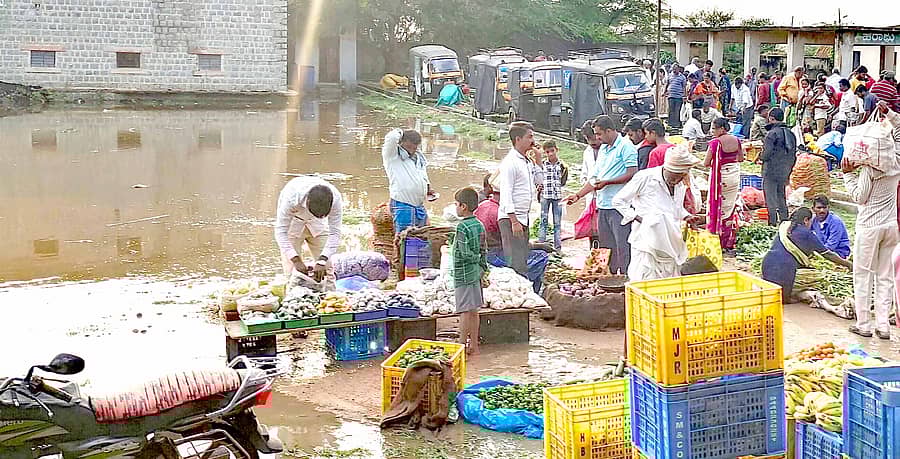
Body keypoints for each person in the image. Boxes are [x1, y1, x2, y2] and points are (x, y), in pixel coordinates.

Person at [844, 102, 900, 339]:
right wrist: (889, 114)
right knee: (885, 276)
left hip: (870, 226)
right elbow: (898, 130)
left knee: (863, 274)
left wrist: (847, 176)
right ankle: (884, 326)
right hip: (891, 226)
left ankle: (864, 323)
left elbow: (859, 197)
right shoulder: (896, 163)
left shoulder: (870, 169)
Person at [612, 143, 703, 281]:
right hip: (646, 240)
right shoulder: (645, 177)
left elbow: (675, 207)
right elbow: (618, 201)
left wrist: (686, 216)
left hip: (670, 240)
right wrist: (638, 217)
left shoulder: (680, 184)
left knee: (669, 280)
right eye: (674, 176)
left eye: (680, 177)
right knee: (644, 277)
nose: (676, 180)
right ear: (667, 168)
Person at [565, 115, 639, 275]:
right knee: (607, 247)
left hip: (620, 207)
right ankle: (611, 277)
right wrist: (577, 195)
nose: (597, 138)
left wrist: (608, 182)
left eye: (599, 134)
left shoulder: (626, 146)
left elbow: (632, 173)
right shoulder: (604, 149)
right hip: (603, 206)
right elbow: (594, 178)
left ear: (609, 131)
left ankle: (626, 278)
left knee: (623, 246)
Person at [761, 208, 853, 304]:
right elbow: (828, 255)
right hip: (783, 273)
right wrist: (848, 264)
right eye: (811, 221)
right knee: (812, 282)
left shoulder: (785, 227)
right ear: (806, 220)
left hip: (766, 268)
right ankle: (787, 295)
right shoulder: (807, 234)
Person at [274, 176, 342, 280]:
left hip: (318, 225)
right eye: (316, 213)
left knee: (327, 270)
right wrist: (296, 260)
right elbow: (280, 231)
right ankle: (293, 294)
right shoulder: (292, 198)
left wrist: (322, 260)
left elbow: (335, 233)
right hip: (293, 224)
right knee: (292, 273)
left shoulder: (335, 199)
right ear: (308, 202)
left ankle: (328, 293)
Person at [452, 187, 487, 355]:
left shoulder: (461, 228)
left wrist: (474, 258)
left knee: (464, 310)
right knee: (474, 310)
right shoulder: (479, 225)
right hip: (475, 273)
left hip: (463, 274)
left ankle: (460, 345)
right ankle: (473, 343)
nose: (456, 208)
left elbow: (464, 253)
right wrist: (482, 267)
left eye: (456, 204)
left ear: (463, 206)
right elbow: (484, 249)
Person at [498, 122, 535, 276]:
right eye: (530, 137)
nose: (533, 140)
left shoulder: (526, 161)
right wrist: (514, 221)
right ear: (518, 139)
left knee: (522, 259)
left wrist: (538, 160)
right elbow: (506, 194)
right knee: (515, 263)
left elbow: (538, 183)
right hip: (511, 219)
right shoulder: (510, 163)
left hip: (523, 218)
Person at [382, 128, 434, 233]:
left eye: (415, 147)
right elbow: (391, 138)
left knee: (422, 238)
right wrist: (402, 132)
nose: (412, 150)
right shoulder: (393, 156)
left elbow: (422, 175)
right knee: (404, 239)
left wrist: (428, 188)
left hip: (419, 205)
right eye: (409, 146)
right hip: (403, 204)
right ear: (401, 143)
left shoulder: (418, 158)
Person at [705, 117, 744, 251]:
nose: (712, 131)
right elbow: (741, 158)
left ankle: (716, 238)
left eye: (714, 128)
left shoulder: (715, 143)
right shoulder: (736, 140)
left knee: (718, 207)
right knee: (729, 207)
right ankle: (728, 239)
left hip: (720, 178)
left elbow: (706, 163)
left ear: (721, 129)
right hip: (733, 176)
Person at [760, 107, 797, 226]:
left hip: (771, 170)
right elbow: (793, 153)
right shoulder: (791, 133)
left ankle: (772, 223)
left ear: (771, 118)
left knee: (770, 197)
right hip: (785, 169)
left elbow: (766, 154)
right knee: (781, 195)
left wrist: (760, 157)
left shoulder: (772, 134)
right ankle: (784, 220)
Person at [538, 140, 566, 249]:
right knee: (543, 221)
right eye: (547, 152)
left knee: (557, 223)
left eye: (552, 151)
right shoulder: (543, 165)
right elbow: (538, 178)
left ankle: (558, 247)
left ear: (556, 150)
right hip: (545, 196)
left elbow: (563, 181)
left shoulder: (562, 166)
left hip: (557, 197)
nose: (550, 154)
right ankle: (541, 245)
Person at [580, 120, 603, 248]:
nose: (592, 142)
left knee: (604, 234)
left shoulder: (607, 151)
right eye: (588, 139)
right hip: (591, 198)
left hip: (605, 199)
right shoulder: (587, 152)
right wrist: (586, 185)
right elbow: (585, 174)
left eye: (593, 138)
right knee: (593, 233)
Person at [810, 195, 851, 259]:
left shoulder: (835, 222)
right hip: (823, 251)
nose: (822, 211)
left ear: (828, 207)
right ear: (813, 209)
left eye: (824, 208)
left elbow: (831, 245)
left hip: (838, 253)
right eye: (819, 208)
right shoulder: (813, 219)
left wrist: (817, 253)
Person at [666, 65, 687, 129]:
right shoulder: (670, 75)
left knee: (677, 110)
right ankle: (670, 123)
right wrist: (665, 92)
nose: (675, 70)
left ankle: (677, 124)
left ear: (678, 69)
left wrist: (684, 96)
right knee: (671, 110)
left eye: (676, 69)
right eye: (673, 69)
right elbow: (667, 84)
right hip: (671, 95)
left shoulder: (682, 77)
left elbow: (684, 87)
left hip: (678, 96)